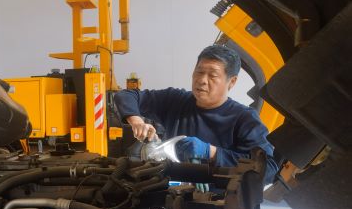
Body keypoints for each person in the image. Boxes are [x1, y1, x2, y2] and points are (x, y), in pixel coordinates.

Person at [113, 45, 278, 184]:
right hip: (172, 199)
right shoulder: (175, 100)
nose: (202, 80)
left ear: (231, 82)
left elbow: (269, 170)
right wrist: (136, 121)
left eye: (212, 75)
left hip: (221, 206)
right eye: (199, 72)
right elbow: (126, 95)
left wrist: (212, 153)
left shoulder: (244, 119)